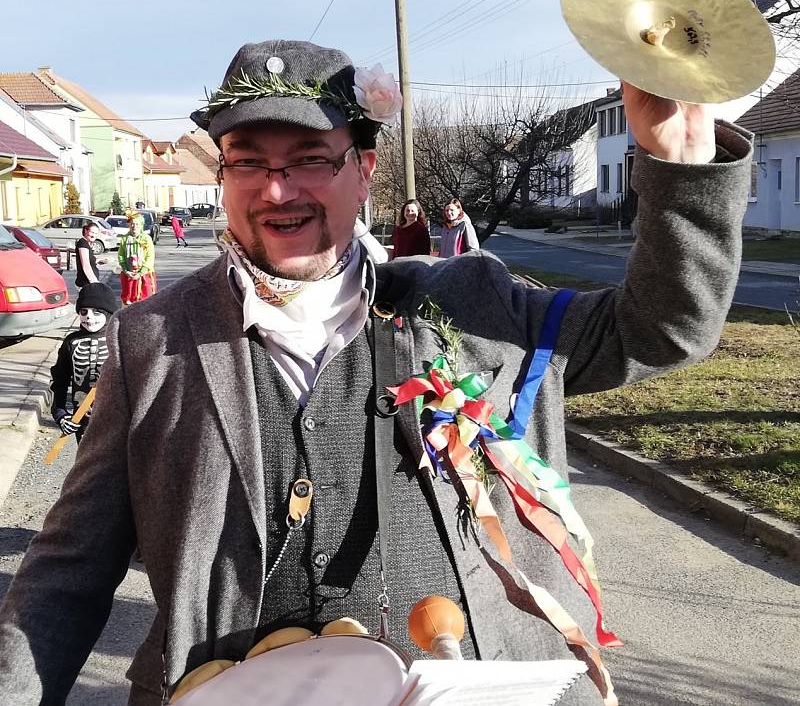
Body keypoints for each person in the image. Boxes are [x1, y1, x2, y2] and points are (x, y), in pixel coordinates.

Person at [0, 39, 752, 706]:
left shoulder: (475, 307)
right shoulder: (151, 342)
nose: (276, 189)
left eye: (308, 160)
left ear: (362, 171)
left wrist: (680, 166)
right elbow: (66, 573)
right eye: (249, 163)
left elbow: (662, 329)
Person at [49, 282, 121, 444]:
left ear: (109, 314)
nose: (89, 317)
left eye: (97, 312)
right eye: (84, 311)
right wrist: (60, 412)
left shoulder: (119, 340)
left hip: (117, 420)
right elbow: (59, 380)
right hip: (82, 418)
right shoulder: (71, 342)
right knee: (85, 465)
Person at [118, 212, 157, 305]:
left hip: (144, 275)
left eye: (136, 224)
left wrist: (140, 273)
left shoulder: (146, 239)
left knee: (145, 301)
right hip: (129, 275)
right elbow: (121, 256)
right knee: (128, 301)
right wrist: (126, 270)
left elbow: (150, 257)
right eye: (132, 223)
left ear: (141, 225)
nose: (134, 226)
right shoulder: (125, 239)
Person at [74, 222, 100, 287]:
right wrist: (94, 282)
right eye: (92, 232)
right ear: (86, 231)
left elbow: (89, 260)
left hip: (88, 283)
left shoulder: (87, 244)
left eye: (96, 233)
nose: (94, 235)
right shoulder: (82, 243)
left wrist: (98, 261)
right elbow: (86, 265)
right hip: (86, 283)